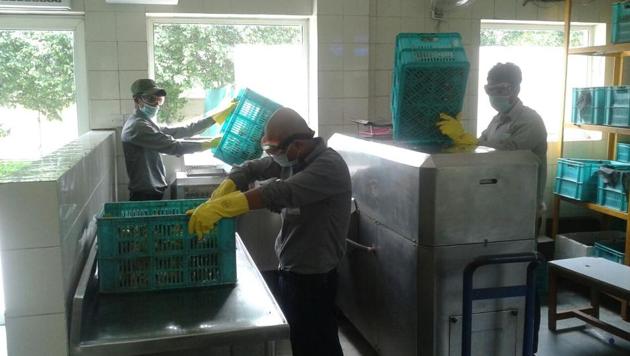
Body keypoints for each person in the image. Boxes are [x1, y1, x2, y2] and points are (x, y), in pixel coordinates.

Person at [187, 107, 351, 356]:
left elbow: (280, 193)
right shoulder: (294, 159)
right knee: (302, 337)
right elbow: (252, 167)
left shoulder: (328, 166)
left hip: (315, 273)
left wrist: (222, 208)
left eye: (275, 151)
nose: (273, 157)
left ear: (296, 144)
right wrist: (227, 187)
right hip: (291, 265)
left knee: (318, 341)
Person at [437, 62, 547, 355]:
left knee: (524, 276)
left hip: (522, 211)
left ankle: (528, 344)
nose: (494, 95)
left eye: (500, 90)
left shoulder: (530, 121)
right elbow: (480, 151)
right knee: (498, 274)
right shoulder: (496, 120)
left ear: (515, 89)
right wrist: (460, 146)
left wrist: (468, 140)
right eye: (489, 89)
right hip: (497, 209)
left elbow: (507, 158)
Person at [121, 78, 235, 201]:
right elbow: (174, 147)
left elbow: (183, 130)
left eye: (159, 99)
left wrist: (216, 117)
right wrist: (211, 144)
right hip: (144, 194)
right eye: (151, 99)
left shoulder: (146, 122)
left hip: (151, 190)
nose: (156, 104)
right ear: (137, 100)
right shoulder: (137, 127)